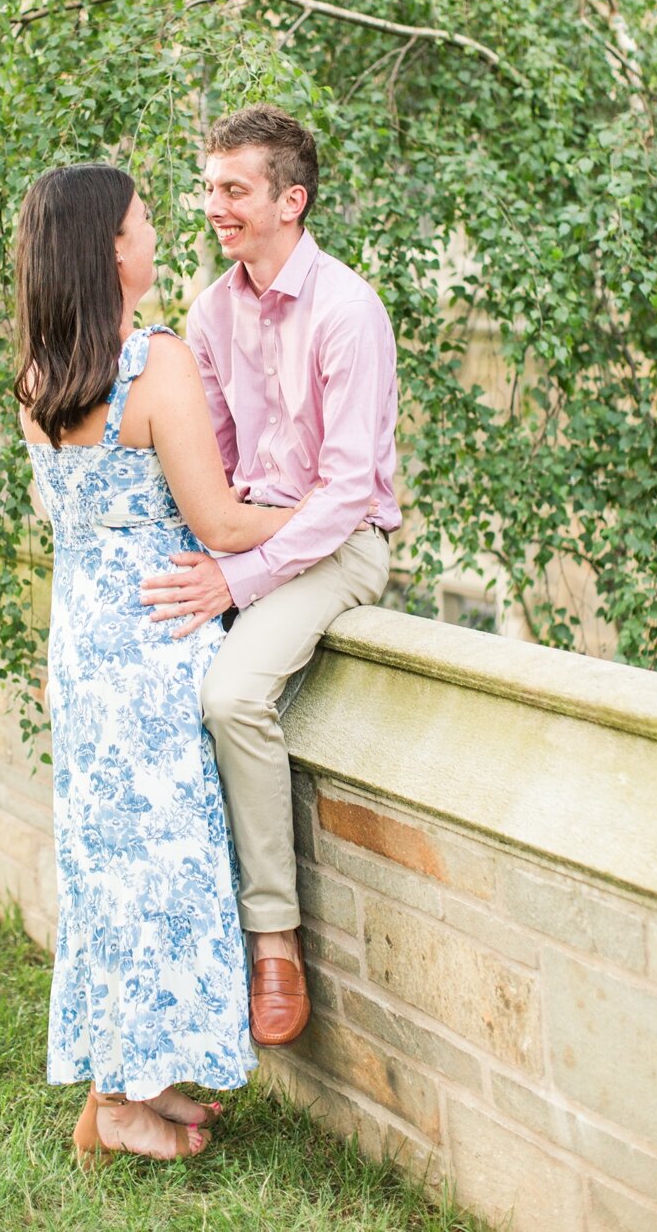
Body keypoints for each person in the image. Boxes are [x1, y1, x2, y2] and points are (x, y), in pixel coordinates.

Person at [14, 162, 305, 1165]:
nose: (156, 230)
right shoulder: (155, 365)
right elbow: (219, 520)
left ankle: (139, 1079)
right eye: (142, 219)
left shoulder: (38, 379)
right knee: (163, 876)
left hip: (84, 657)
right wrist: (329, 515)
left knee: (109, 875)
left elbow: (73, 529)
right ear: (111, 251)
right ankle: (119, 1101)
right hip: (151, 649)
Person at [141, 104, 400, 1049]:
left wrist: (238, 581)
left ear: (290, 200)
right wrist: (208, 555)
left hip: (341, 547)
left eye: (234, 189)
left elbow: (345, 497)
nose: (214, 205)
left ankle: (274, 940)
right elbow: (206, 459)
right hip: (252, 534)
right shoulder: (209, 312)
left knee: (234, 692)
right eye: (208, 187)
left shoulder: (348, 311)